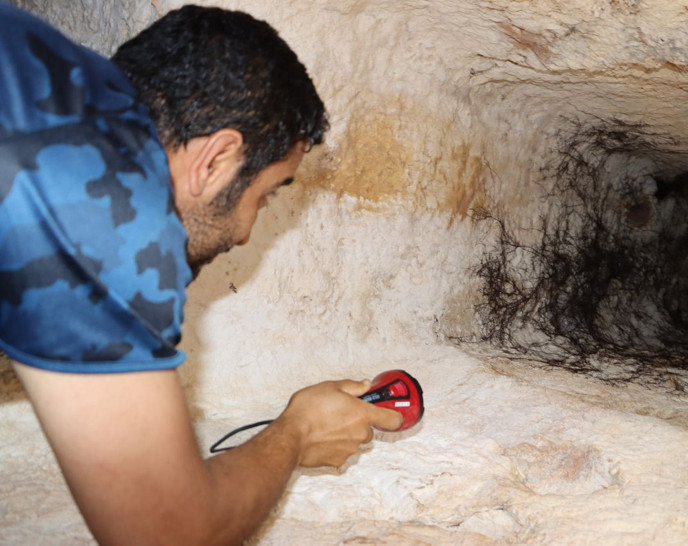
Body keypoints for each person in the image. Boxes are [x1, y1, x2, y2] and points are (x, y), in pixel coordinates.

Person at [0, 4, 403, 544]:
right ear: (215, 160)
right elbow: (168, 533)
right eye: (263, 196)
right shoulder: (112, 210)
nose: (244, 235)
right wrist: (298, 432)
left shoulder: (40, 66)